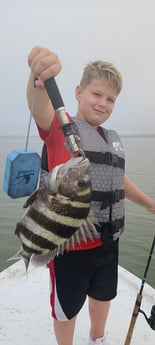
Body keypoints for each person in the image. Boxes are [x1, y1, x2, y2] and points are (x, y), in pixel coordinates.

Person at [27, 46, 155, 345]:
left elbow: (116, 180)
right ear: (78, 92)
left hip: (109, 242)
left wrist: (148, 202)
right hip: (69, 246)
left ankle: (98, 339)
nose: (103, 103)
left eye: (111, 99)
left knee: (103, 296)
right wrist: (39, 73)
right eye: (97, 94)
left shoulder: (110, 139)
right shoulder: (62, 127)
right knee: (66, 309)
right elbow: (39, 106)